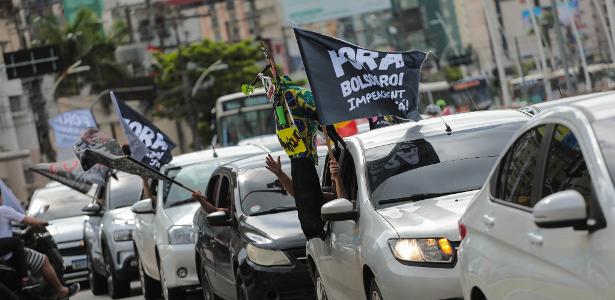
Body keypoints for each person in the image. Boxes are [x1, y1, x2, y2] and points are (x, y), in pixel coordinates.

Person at [0, 188, 80, 299]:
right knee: (44, 260)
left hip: (4, 254)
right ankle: (61, 290)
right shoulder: (3, 210)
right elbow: (27, 221)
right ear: (1, 197)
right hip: (9, 254)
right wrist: (43, 222)